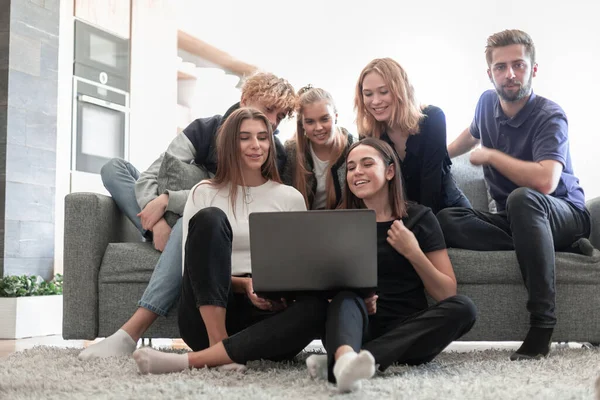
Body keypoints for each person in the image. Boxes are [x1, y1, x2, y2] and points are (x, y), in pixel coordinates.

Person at [79, 72, 297, 360]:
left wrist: (171, 199)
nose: (272, 122)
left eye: (279, 117)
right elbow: (152, 177)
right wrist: (156, 222)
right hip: (179, 211)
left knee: (199, 218)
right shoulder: (203, 130)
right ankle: (153, 230)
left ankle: (130, 331)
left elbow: (234, 196)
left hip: (204, 221)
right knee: (114, 169)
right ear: (245, 99)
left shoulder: (270, 152)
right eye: (269, 109)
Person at [131, 108, 328, 374]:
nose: (256, 145)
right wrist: (242, 284)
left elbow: (299, 272)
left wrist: (278, 292)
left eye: (262, 137)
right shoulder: (203, 192)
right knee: (211, 218)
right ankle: (218, 344)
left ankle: (202, 359)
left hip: (264, 314)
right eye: (245, 137)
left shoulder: (290, 197)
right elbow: (192, 270)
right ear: (229, 144)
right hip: (207, 311)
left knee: (318, 308)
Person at [438, 29, 591, 361]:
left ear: (533, 69)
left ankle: (542, 324)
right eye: (501, 67)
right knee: (447, 219)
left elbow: (546, 182)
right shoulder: (486, 102)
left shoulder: (550, 115)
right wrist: (439, 155)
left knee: (523, 198)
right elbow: (472, 133)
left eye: (518, 65)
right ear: (489, 72)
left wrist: (491, 156)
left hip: (564, 213)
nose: (510, 74)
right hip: (516, 219)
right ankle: (536, 241)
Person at [305, 138, 476, 393]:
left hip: (408, 336)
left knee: (464, 308)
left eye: (366, 164)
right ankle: (346, 357)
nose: (357, 172)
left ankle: (345, 363)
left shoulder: (420, 218)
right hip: (355, 328)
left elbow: (446, 293)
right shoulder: (339, 221)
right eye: (351, 168)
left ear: (389, 171)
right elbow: (323, 289)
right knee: (344, 297)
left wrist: (413, 251)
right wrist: (353, 300)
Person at [355, 58, 470, 214]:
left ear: (401, 90)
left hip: (447, 210)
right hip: (401, 215)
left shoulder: (433, 118)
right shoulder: (367, 133)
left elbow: (431, 182)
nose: (375, 101)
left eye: (384, 92)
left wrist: (420, 229)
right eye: (368, 94)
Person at [282, 86, 354, 209]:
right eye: (310, 122)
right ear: (302, 124)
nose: (319, 127)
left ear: (336, 116)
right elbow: (283, 197)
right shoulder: (291, 151)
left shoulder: (353, 148)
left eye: (324, 119)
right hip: (302, 223)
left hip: (342, 222)